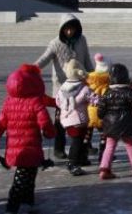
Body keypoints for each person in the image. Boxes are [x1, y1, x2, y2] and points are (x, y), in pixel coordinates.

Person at [0, 64, 56, 214]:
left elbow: (0, 124)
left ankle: (27, 201)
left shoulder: (9, 102)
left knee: (29, 174)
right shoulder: (35, 102)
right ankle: (12, 206)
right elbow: (44, 121)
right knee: (22, 177)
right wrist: (49, 132)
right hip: (30, 147)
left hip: (15, 148)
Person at [34, 13, 94, 159]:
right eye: (66, 29)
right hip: (62, 88)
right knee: (60, 119)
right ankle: (58, 148)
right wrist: (31, 69)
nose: (69, 32)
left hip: (80, 85)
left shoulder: (82, 40)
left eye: (72, 29)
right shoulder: (55, 43)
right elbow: (44, 59)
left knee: (84, 117)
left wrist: (93, 77)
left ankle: (85, 145)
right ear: (61, 29)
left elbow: (86, 60)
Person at [97, 63, 132, 179]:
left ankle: (104, 168)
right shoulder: (129, 91)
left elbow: (101, 110)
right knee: (130, 145)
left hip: (110, 124)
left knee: (110, 146)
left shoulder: (107, 93)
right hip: (126, 123)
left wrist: (102, 116)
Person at [55, 59, 94, 176]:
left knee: (79, 139)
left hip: (66, 119)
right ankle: (72, 162)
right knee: (77, 141)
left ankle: (81, 158)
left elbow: (57, 102)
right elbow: (93, 98)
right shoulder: (84, 88)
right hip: (79, 118)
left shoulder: (62, 88)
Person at [86, 53, 110, 160]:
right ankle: (103, 155)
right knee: (103, 134)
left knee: (88, 132)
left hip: (89, 112)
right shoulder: (107, 85)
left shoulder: (89, 81)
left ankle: (84, 151)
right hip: (102, 113)